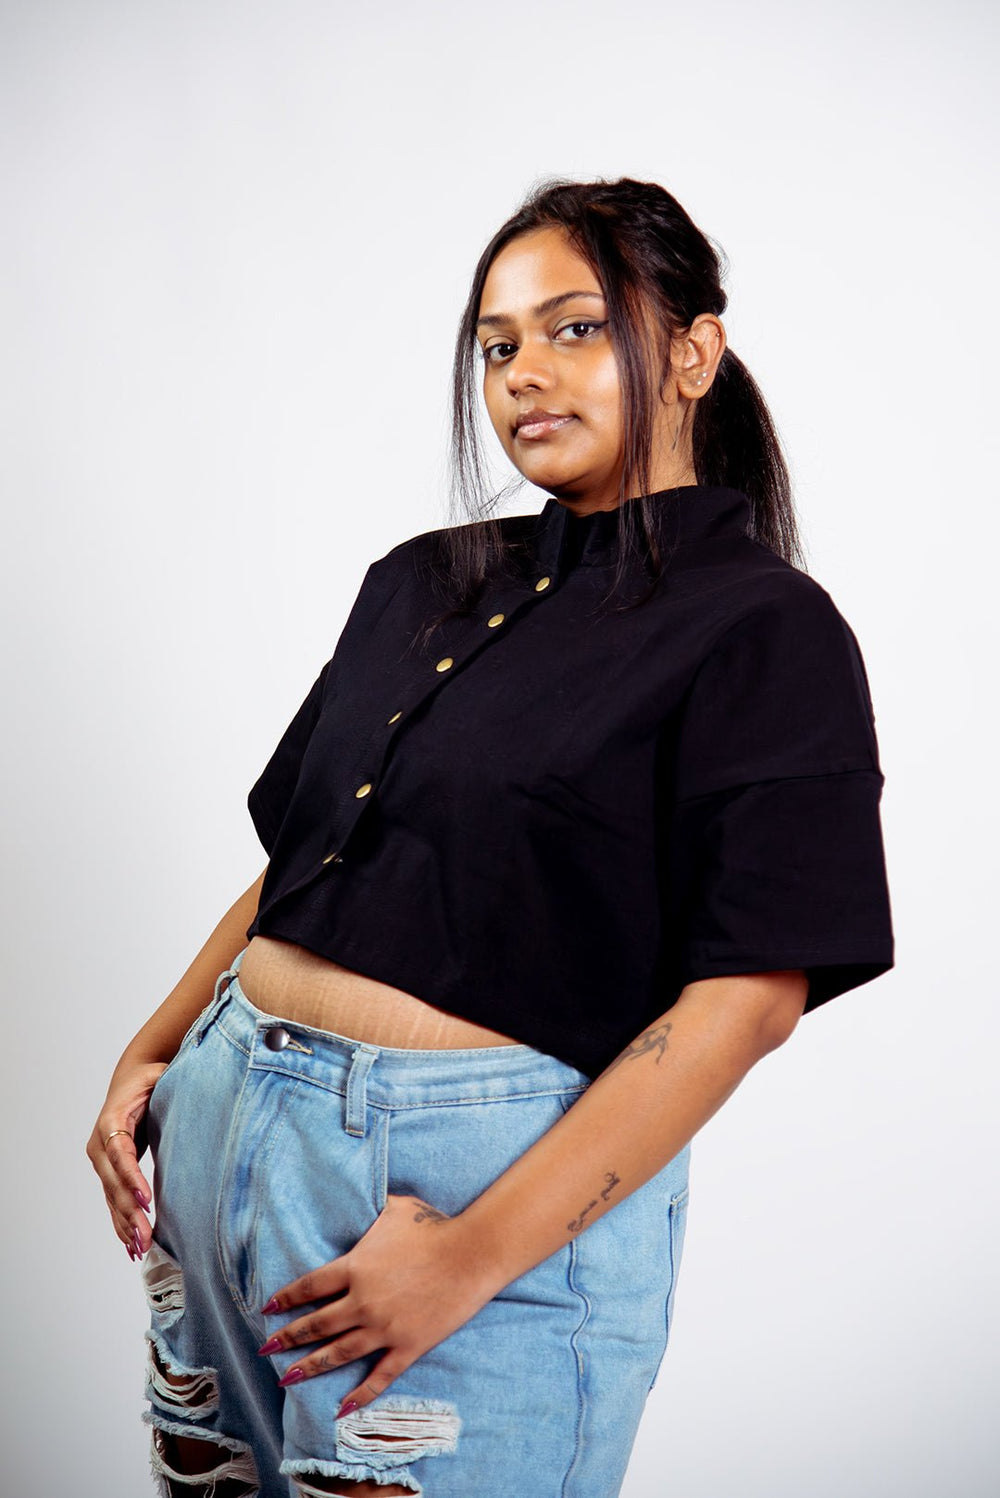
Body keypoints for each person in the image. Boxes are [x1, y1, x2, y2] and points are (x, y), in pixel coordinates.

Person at [87, 177, 894, 1498]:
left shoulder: (764, 628)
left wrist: (467, 1257)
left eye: (577, 328)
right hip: (224, 1142)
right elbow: (304, 863)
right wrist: (156, 1047)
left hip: (464, 1205)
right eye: (497, 344)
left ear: (696, 352)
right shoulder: (423, 577)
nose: (525, 372)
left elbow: (749, 1000)